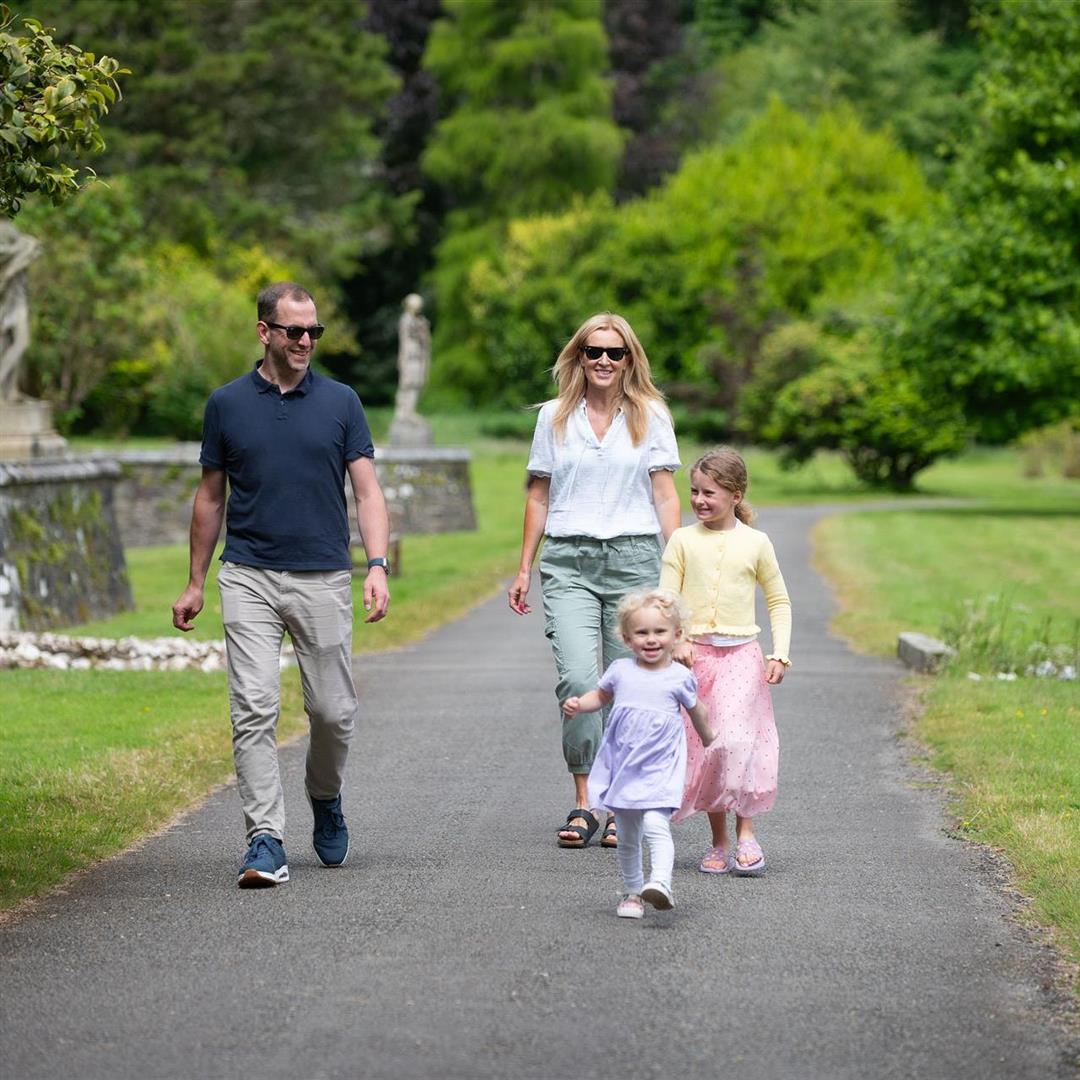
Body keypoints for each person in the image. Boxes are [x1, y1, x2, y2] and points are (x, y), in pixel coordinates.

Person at [171, 281, 391, 889]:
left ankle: (325, 795)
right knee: (254, 709)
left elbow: (367, 491)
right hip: (248, 576)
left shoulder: (342, 401)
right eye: (294, 331)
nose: (306, 341)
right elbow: (210, 496)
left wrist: (376, 565)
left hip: (323, 575)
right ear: (265, 332)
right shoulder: (227, 404)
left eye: (314, 332)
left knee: (333, 710)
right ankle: (264, 838)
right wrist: (195, 582)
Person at [508, 313, 682, 850]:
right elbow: (539, 494)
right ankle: (586, 801)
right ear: (578, 357)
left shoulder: (649, 415)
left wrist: (675, 568)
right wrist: (523, 567)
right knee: (580, 682)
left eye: (615, 352)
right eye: (593, 351)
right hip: (569, 561)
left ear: (630, 359)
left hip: (634, 560)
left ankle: (618, 802)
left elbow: (665, 495)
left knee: (629, 688)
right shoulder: (555, 418)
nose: (604, 361)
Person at [660, 447, 792, 876]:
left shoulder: (755, 543)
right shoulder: (682, 540)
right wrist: (676, 639)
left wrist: (780, 652)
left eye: (709, 493)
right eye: (694, 491)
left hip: (742, 657)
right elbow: (666, 598)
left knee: (738, 741)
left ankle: (747, 833)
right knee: (710, 749)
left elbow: (778, 600)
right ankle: (718, 842)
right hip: (695, 660)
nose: (699, 500)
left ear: (735, 495)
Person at [564, 589, 713, 918]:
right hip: (625, 767)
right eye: (641, 633)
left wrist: (707, 737)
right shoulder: (620, 670)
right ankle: (632, 893)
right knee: (628, 835)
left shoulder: (679, 676)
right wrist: (579, 704)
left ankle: (660, 883)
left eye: (659, 632)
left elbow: (697, 711)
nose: (651, 639)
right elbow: (599, 698)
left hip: (661, 767)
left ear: (676, 635)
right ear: (627, 638)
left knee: (657, 825)